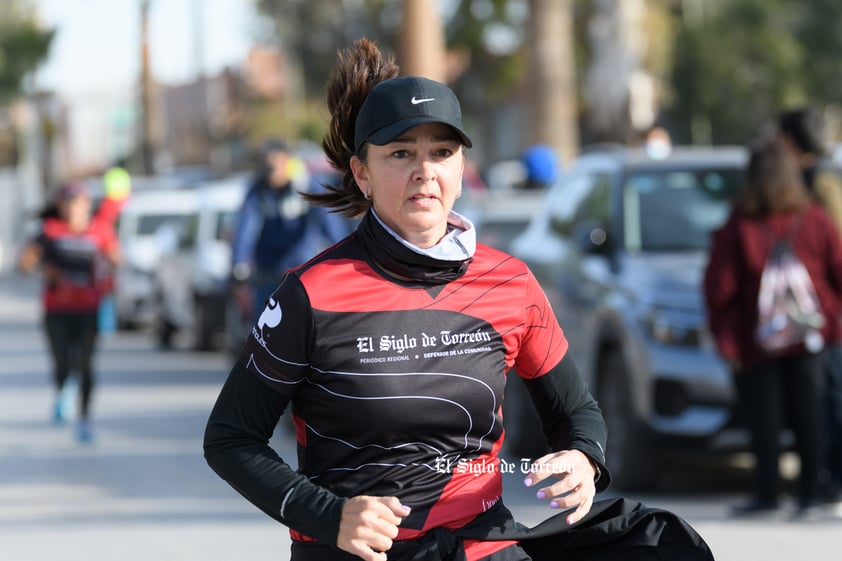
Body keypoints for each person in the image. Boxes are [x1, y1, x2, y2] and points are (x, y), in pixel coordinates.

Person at [204, 38, 713, 561]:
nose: (425, 171)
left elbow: (576, 410)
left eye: (441, 153)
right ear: (362, 173)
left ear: (462, 168)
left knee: (665, 545)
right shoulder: (309, 293)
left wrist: (585, 459)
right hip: (356, 553)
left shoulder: (510, 282)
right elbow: (229, 438)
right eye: (401, 153)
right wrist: (328, 515)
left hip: (480, 546)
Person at [704, 139, 842, 517]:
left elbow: (720, 287)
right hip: (810, 335)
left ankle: (768, 493)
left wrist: (723, 334)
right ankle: (811, 492)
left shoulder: (740, 225)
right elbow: (838, 269)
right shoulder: (814, 218)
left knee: (764, 418)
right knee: (810, 415)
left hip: (756, 338)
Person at [18, 181, 124, 443]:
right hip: (57, 309)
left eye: (80, 203)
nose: (75, 208)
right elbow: (25, 263)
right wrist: (44, 270)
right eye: (70, 203)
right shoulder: (50, 232)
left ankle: (85, 419)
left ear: (87, 205)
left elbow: (116, 259)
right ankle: (63, 391)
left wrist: (111, 266)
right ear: (61, 206)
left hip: (89, 308)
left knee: (86, 362)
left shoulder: (100, 230)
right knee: (62, 360)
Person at [778, 107, 842, 501]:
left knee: (831, 398)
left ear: (790, 141)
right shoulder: (824, 177)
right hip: (822, 313)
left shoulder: (818, 182)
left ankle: (832, 477)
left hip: (828, 315)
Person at [229, 138, 349, 327]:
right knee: (264, 328)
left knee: (308, 325)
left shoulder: (307, 185)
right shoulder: (258, 190)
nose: (270, 170)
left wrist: (345, 256)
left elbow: (330, 223)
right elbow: (245, 227)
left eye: (274, 163)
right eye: (266, 164)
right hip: (267, 271)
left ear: (287, 160)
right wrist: (239, 264)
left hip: (302, 269)